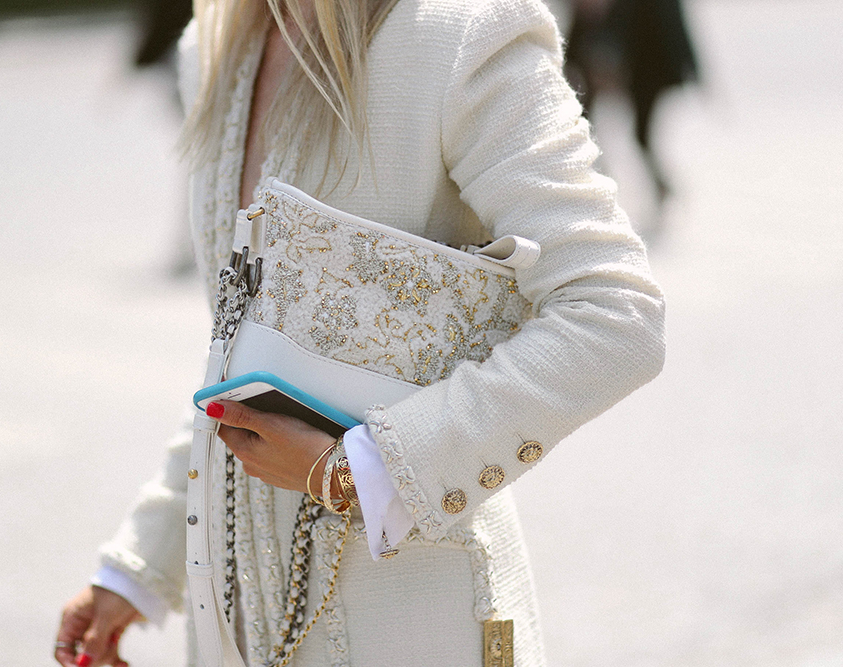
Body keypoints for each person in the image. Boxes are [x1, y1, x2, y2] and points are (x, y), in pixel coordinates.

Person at [55, 0, 666, 665]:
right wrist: (139, 568)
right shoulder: (212, 48)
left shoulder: (460, 34)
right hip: (239, 635)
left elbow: (613, 310)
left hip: (423, 626)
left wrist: (366, 470)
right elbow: (236, 358)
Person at [565, 0, 699, 208]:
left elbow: (671, 26)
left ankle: (653, 186)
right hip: (604, 61)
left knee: (640, 135)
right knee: (583, 123)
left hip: (647, 67)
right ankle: (592, 181)